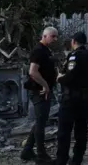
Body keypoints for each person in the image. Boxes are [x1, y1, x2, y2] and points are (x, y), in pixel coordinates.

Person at [55, 32, 88, 165]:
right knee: (81, 130)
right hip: (86, 100)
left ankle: (61, 159)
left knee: (64, 130)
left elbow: (70, 76)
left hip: (71, 99)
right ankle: (77, 159)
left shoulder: (74, 56)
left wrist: (59, 78)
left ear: (73, 42)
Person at [21, 27, 59, 163]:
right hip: (39, 91)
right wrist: (45, 85)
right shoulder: (38, 51)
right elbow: (33, 72)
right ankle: (41, 156)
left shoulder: (46, 51)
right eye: (53, 36)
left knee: (40, 121)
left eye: (56, 37)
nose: (55, 39)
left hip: (44, 91)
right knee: (41, 123)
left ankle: (27, 151)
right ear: (44, 35)